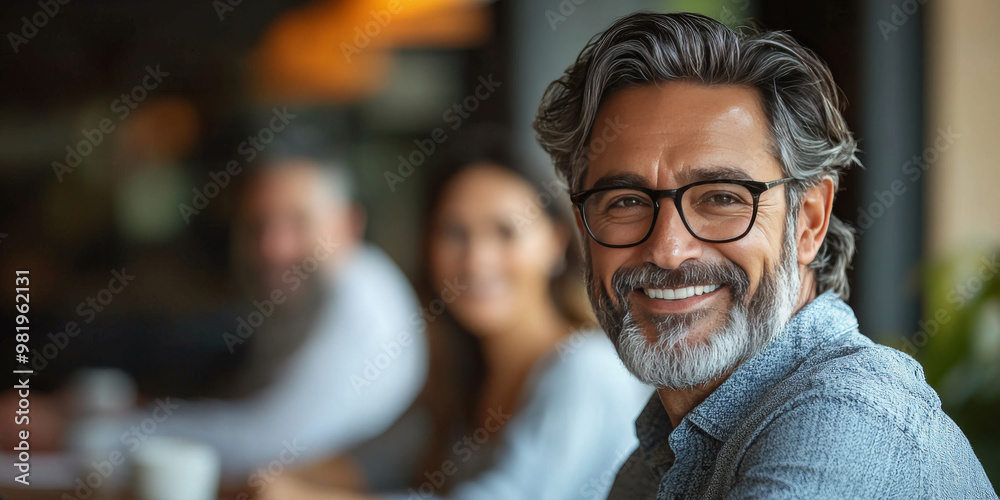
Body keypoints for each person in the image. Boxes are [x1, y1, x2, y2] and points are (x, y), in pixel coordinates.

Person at [533, 12, 996, 498]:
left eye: (721, 198)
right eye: (625, 202)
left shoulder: (848, 422)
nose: (668, 250)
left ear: (809, 220)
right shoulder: (653, 462)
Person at [259, 136, 651, 500]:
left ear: (556, 243)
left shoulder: (587, 370)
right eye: (454, 233)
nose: (476, 259)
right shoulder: (458, 374)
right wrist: (262, 480)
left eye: (505, 231)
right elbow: (372, 464)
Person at [122, 157, 428, 480]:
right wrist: (141, 411)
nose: (272, 248)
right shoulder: (306, 293)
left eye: (298, 222)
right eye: (257, 226)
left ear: (348, 225)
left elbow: (265, 444)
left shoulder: (361, 302)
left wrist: (109, 433)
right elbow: (250, 402)